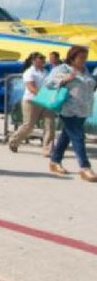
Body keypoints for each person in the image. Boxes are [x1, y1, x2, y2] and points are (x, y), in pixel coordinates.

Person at [45, 45, 96, 181]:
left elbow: (90, 85)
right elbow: (48, 83)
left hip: (83, 109)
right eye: (81, 57)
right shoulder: (62, 68)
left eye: (85, 57)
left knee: (66, 136)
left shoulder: (85, 70)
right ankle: (85, 168)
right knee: (78, 137)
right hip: (69, 109)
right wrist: (65, 79)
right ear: (72, 57)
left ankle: (55, 161)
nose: (84, 60)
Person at [7, 52, 55, 155]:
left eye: (43, 59)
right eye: (40, 59)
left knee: (50, 124)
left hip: (45, 101)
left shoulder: (46, 72)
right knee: (29, 125)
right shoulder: (29, 72)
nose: (42, 61)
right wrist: (45, 95)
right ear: (34, 61)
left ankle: (48, 149)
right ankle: (14, 141)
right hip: (31, 101)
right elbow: (31, 88)